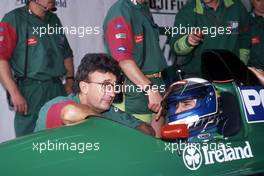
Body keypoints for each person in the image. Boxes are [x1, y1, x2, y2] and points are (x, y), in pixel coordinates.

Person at [0, 0, 74, 136]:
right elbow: (1, 59)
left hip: (56, 89)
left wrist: (69, 80)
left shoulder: (54, 19)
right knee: (28, 142)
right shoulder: (14, 19)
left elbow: (66, 54)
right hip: (30, 92)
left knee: (59, 139)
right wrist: (15, 93)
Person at [35, 53, 155, 137]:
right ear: (84, 87)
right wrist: (112, 128)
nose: (112, 93)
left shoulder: (108, 110)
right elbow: (70, 112)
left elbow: (148, 131)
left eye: (114, 86)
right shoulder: (57, 104)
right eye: (105, 85)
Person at [103, 0, 167, 125]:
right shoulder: (121, 10)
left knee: (156, 144)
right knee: (138, 142)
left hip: (157, 85)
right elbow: (123, 61)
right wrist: (151, 90)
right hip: (136, 91)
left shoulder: (142, 8)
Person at [169, 0, 250, 78]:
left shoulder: (236, 6)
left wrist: (241, 65)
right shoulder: (187, 11)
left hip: (232, 76)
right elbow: (175, 47)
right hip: (199, 78)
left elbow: (245, 36)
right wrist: (188, 41)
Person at [247, 0, 264, 71]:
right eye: (258, 0)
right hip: (253, 72)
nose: (263, 3)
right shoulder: (245, 20)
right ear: (251, 1)